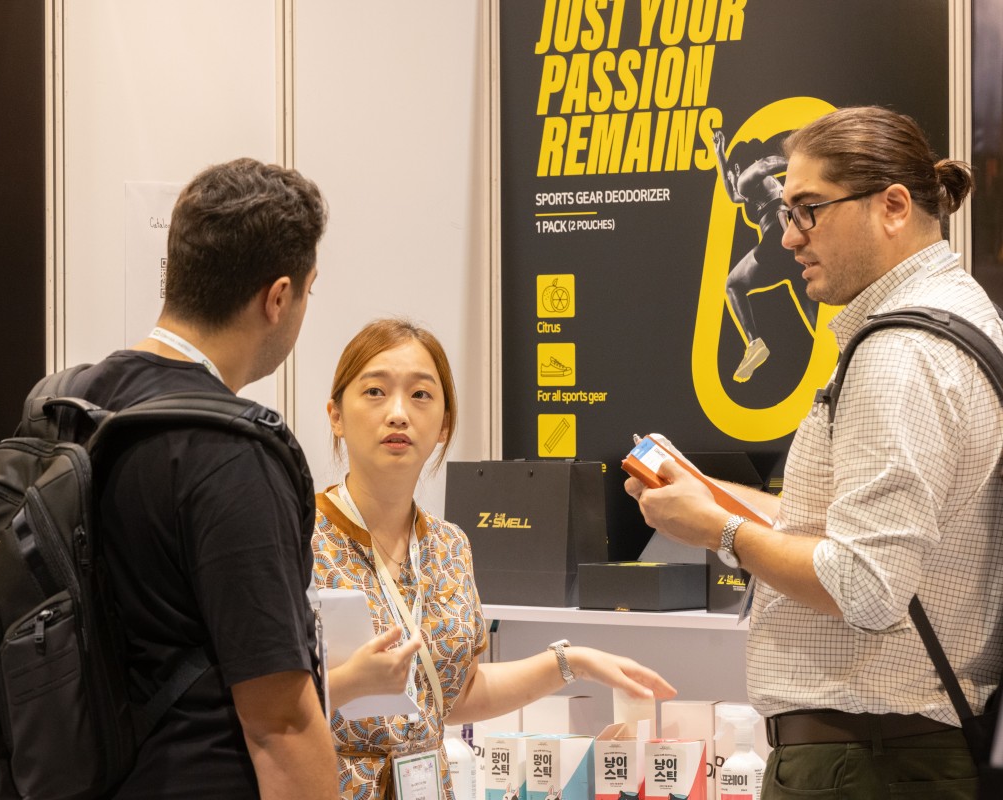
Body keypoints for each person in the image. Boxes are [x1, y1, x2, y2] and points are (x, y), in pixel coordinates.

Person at [627, 106, 1003, 798]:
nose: (789, 235)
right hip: (891, 753)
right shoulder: (955, 319)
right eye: (786, 212)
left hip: (867, 761)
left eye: (808, 210)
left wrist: (720, 530)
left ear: (893, 207)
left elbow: (864, 585)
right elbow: (849, 531)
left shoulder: (899, 356)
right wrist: (709, 494)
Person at [314, 318, 676, 800]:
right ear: (336, 415)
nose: (398, 413)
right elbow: (251, 702)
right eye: (375, 391)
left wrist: (572, 661)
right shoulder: (293, 539)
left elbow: (457, 695)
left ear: (444, 425)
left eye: (421, 395)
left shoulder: (449, 546)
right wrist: (347, 683)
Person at [67, 158, 336, 799]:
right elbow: (282, 724)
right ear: (278, 298)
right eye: (308, 291)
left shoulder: (69, 405)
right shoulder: (234, 455)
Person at [713, 129, 820, 382]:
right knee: (813, 317)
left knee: (733, 284)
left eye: (732, 173)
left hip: (775, 241)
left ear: (738, 167)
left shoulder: (746, 178)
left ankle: (754, 343)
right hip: (793, 248)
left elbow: (765, 163)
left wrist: (803, 163)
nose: (731, 179)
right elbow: (732, 195)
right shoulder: (770, 187)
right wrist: (720, 155)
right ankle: (837, 352)